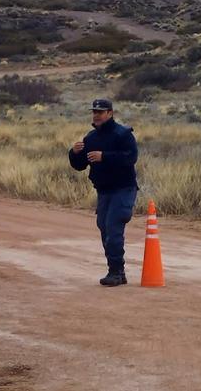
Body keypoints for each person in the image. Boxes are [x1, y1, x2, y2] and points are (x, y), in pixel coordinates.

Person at [69, 99, 138, 287]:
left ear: (110, 113)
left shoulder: (122, 134)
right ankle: (118, 271)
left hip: (123, 189)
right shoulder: (91, 138)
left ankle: (115, 272)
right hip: (104, 191)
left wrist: (104, 156)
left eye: (100, 112)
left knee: (113, 227)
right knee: (104, 227)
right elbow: (80, 165)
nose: (96, 115)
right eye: (94, 112)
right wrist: (74, 153)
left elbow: (131, 157)